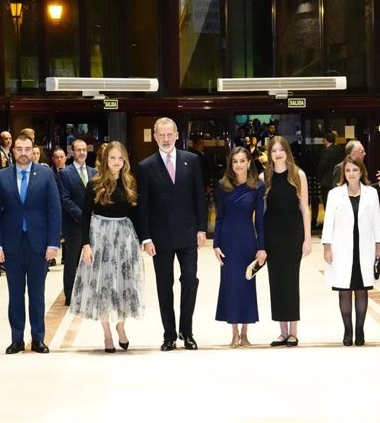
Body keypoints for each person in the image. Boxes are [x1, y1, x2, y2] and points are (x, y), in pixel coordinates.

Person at [137, 117, 207, 352]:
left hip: (188, 235)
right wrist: (145, 238)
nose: (166, 139)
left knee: (190, 281)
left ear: (177, 135)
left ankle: (186, 331)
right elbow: (143, 206)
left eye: (170, 134)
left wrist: (201, 229)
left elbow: (200, 197)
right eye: (161, 135)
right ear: (155, 137)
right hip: (160, 238)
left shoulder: (192, 161)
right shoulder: (146, 166)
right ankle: (169, 334)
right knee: (164, 286)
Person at [0, 134, 62, 354]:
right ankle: (17, 339)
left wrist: (53, 243)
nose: (23, 153)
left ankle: (38, 338)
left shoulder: (46, 174)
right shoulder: (2, 176)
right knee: (15, 294)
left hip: (39, 245)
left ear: (33, 151)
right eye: (19, 149)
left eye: (27, 149)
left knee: (37, 294)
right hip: (12, 245)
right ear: (13, 151)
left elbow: (54, 211)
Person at [70, 142, 145, 353]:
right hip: (100, 237)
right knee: (103, 285)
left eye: (120, 158)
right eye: (112, 158)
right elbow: (85, 216)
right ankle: (107, 333)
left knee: (123, 284)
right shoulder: (94, 183)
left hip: (124, 238)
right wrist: (86, 244)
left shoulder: (129, 181)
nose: (116, 162)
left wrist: (142, 240)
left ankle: (121, 326)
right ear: (105, 160)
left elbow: (135, 214)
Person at [322, 156, 380, 346]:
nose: (351, 174)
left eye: (355, 170)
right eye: (348, 171)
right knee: (345, 290)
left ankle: (360, 330)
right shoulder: (335, 194)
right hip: (342, 249)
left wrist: (378, 245)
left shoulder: (371, 193)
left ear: (361, 172)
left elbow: (376, 221)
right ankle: (348, 331)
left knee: (362, 288)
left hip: (364, 247)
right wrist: (327, 246)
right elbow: (328, 222)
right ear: (344, 173)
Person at [260, 136, 312, 347]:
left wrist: (307, 239)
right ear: (269, 154)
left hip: (293, 235)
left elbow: (304, 208)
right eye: (274, 151)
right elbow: (261, 211)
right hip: (273, 236)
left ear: (287, 152)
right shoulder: (265, 177)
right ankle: (282, 332)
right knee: (276, 281)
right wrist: (261, 241)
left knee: (291, 281)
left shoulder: (298, 175)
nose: (278, 154)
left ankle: (293, 331)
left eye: (281, 150)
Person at [213, 147, 266, 348]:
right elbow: (219, 218)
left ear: (249, 162)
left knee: (246, 284)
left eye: (242, 161)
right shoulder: (223, 185)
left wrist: (261, 247)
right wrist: (216, 244)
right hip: (228, 241)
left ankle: (245, 331)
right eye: (235, 161)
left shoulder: (257, 186)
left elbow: (259, 220)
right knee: (230, 285)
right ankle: (234, 332)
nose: (238, 165)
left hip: (247, 241)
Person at [58, 139, 97, 305]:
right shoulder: (65, 173)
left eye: (84, 150)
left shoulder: (94, 172)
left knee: (92, 260)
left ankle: (90, 292)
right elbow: (65, 200)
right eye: (78, 150)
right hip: (74, 224)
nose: (82, 153)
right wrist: (83, 217)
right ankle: (70, 295)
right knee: (72, 260)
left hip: (93, 225)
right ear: (72, 153)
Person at [316, 131, 344, 208]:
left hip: (327, 181)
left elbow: (322, 166)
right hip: (339, 179)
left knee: (327, 203)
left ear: (325, 140)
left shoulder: (326, 151)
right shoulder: (340, 149)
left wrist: (318, 179)